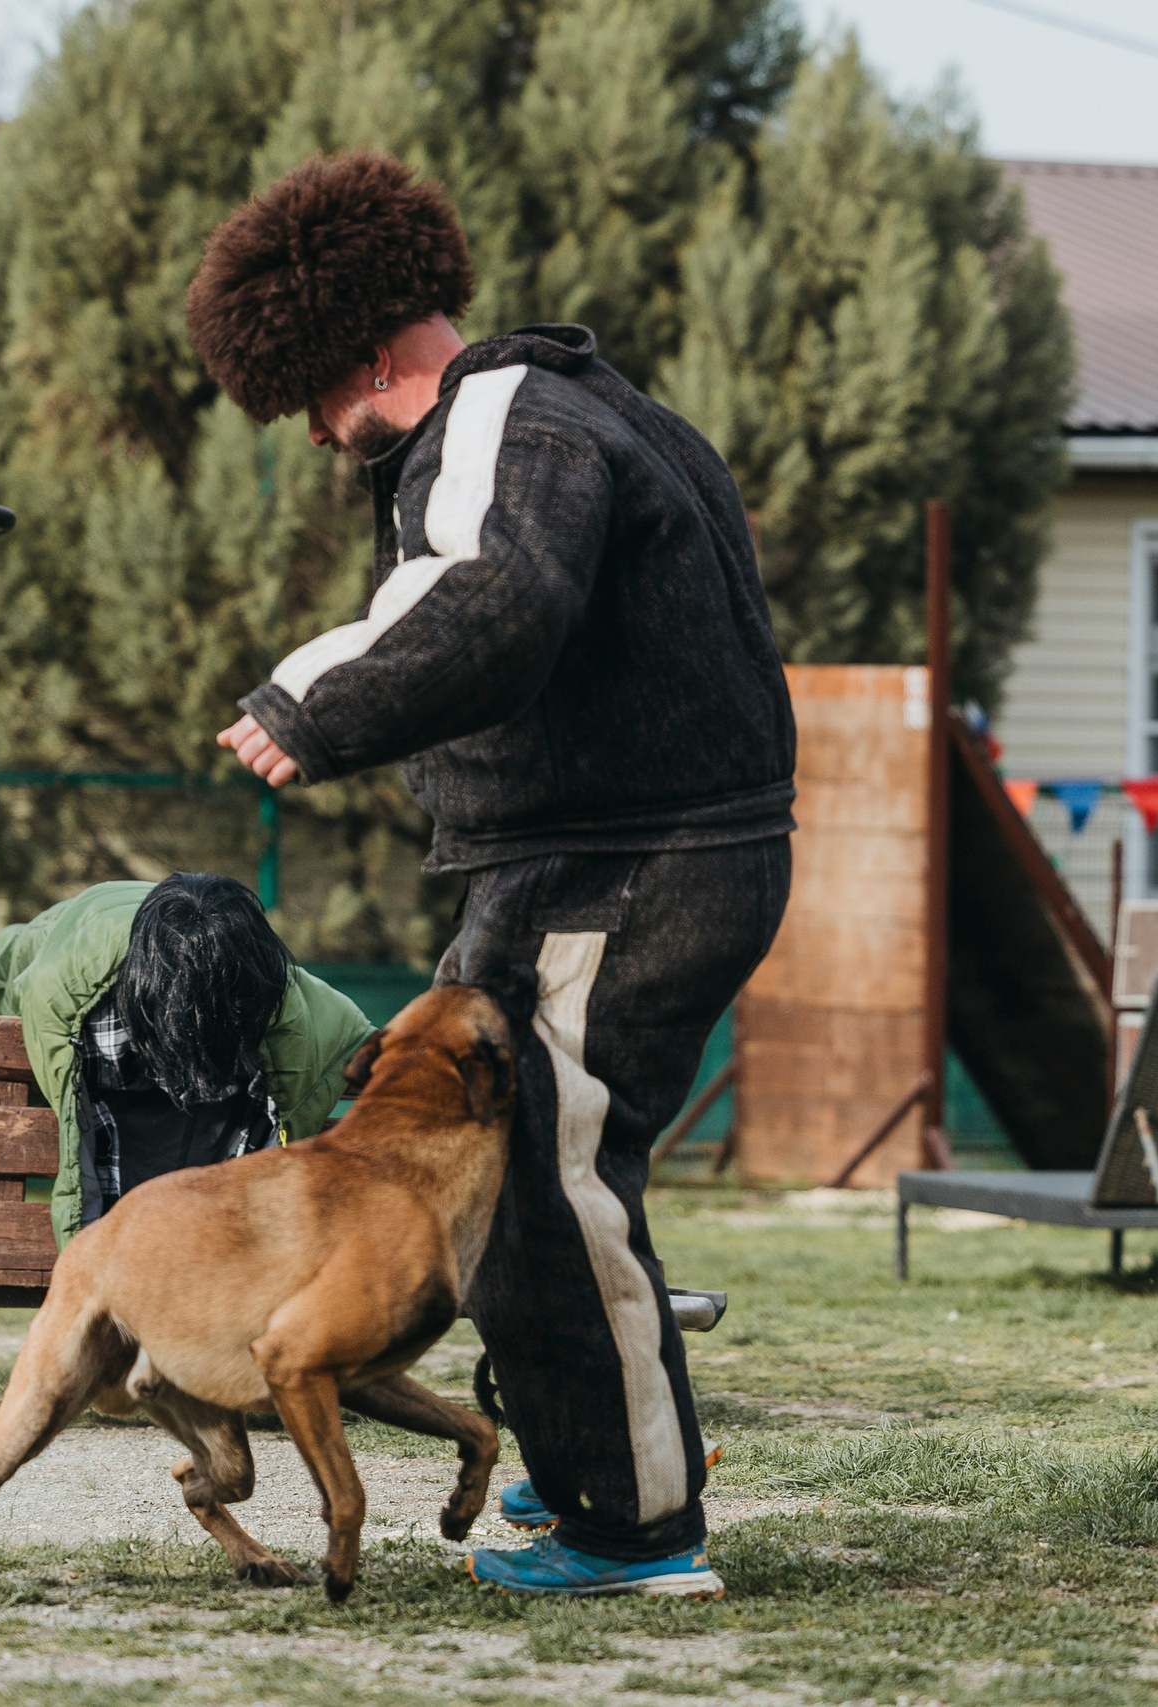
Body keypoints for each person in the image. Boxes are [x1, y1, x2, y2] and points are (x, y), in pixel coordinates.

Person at [190, 153, 797, 1597]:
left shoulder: (504, 415)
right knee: (518, 1175)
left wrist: (309, 705)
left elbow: (491, 593)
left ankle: (633, 1530)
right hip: (594, 855)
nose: (335, 436)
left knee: (554, 1186)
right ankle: (603, 1452)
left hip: (633, 862)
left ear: (392, 350)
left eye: (332, 400)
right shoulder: (596, 413)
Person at [0, 874, 375, 1245]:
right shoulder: (62, 983)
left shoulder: (282, 995)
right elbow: (77, 1143)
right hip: (64, 934)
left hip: (182, 944)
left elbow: (360, 1039)